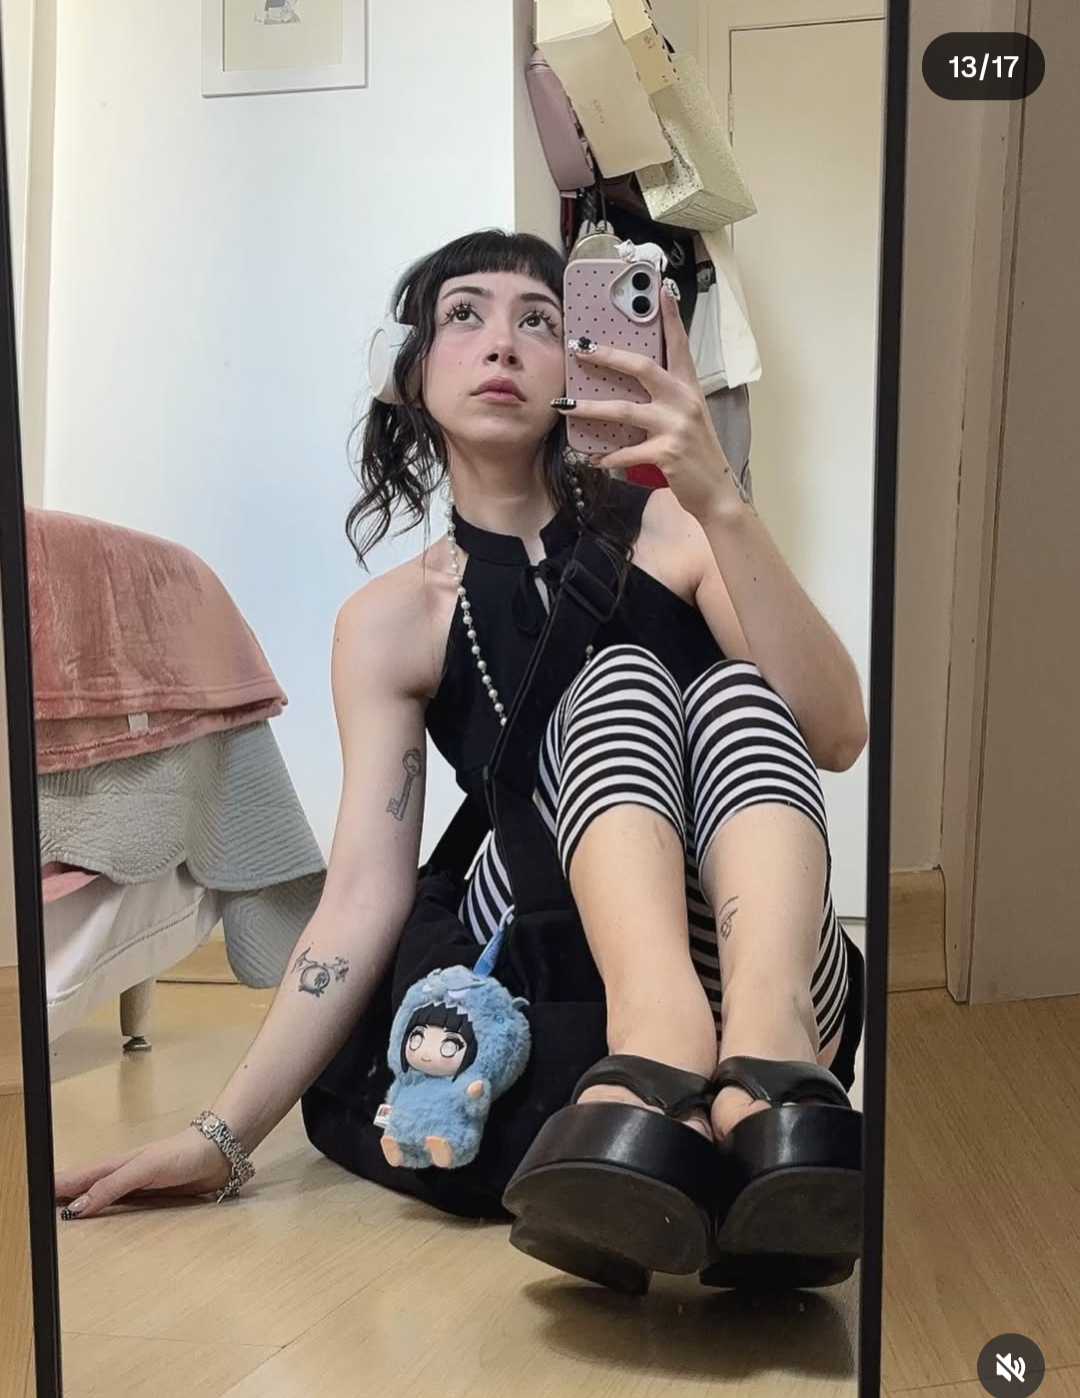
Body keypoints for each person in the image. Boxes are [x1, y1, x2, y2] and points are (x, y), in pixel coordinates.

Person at [55, 229, 867, 1290]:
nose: (502, 343)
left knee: (733, 687)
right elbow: (361, 896)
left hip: (756, 957)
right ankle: (662, 1048)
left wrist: (718, 497)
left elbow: (834, 734)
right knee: (620, 680)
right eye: (465, 315)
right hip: (555, 969)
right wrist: (220, 1135)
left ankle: (764, 1057)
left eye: (540, 319)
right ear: (414, 375)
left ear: (580, 360)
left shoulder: (677, 529)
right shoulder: (392, 619)